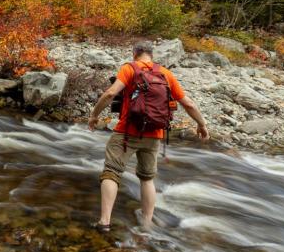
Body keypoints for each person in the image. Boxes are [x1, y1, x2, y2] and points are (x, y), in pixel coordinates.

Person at [87, 41, 208, 231]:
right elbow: (189, 104)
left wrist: (94, 115)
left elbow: (110, 93)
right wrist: (202, 124)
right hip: (155, 134)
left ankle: (104, 221)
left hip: (126, 132)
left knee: (111, 171)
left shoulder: (129, 68)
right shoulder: (166, 74)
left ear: (135, 53)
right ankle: (146, 224)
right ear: (152, 54)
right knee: (147, 178)